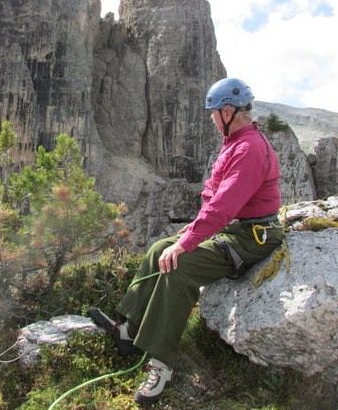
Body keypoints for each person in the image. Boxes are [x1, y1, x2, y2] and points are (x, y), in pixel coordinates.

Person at [90, 77, 286, 405]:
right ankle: (130, 331)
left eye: (213, 113)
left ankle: (161, 362)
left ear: (228, 111)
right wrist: (193, 228)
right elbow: (216, 200)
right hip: (235, 229)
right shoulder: (238, 142)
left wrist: (189, 242)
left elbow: (225, 203)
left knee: (178, 265)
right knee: (157, 250)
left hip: (253, 236)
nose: (210, 118)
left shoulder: (249, 148)